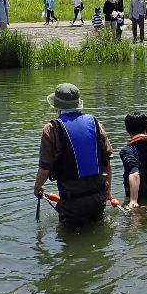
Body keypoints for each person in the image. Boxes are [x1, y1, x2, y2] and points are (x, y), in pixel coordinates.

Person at [34, 83, 113, 227]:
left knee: (71, 241)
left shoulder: (51, 129)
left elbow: (45, 169)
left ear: (56, 106)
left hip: (73, 201)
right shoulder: (96, 124)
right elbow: (107, 163)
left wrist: (37, 188)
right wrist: (108, 193)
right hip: (98, 197)